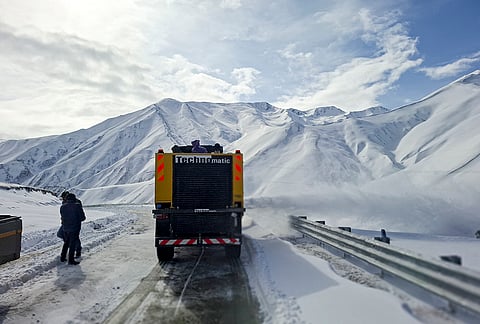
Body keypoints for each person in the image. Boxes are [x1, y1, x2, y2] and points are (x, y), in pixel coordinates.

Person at [60, 193, 86, 265]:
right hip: (75, 228)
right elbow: (82, 218)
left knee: (66, 242)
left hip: (65, 228)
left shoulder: (62, 207)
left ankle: (62, 257)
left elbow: (62, 217)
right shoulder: (77, 206)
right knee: (73, 243)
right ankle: (71, 260)